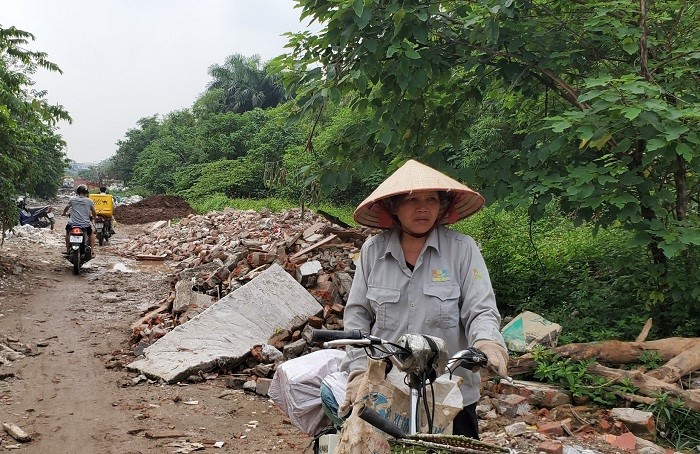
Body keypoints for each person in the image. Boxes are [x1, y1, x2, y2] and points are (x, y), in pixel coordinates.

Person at [326, 159, 508, 439]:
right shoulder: (373, 252)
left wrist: (487, 342)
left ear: (442, 206)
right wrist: (360, 371)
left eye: (431, 199)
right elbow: (358, 315)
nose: (422, 207)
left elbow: (480, 308)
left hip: (450, 390)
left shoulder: (462, 250)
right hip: (387, 388)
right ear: (394, 208)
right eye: (411, 200)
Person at [62, 184, 97, 257]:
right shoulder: (89, 201)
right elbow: (94, 212)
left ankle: (68, 250)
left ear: (77, 192)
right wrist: (94, 217)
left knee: (68, 233)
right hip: (85, 225)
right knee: (91, 233)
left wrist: (64, 213)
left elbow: (66, 208)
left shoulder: (72, 199)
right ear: (86, 192)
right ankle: (92, 251)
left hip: (72, 224)